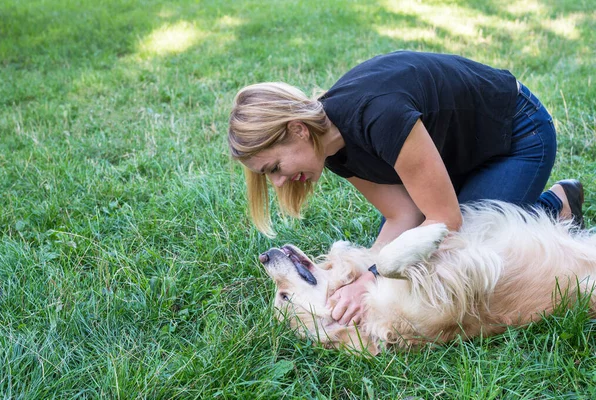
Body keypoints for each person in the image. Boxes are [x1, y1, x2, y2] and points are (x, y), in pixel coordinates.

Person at [227, 51, 585, 326]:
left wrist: (371, 277)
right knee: (416, 246)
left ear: (298, 130)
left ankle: (554, 206)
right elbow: (404, 214)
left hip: (519, 135)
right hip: (461, 157)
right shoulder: (333, 150)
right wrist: (369, 271)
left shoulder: (377, 115)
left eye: (274, 167)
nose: (277, 182)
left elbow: (444, 219)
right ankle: (534, 206)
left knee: (465, 243)